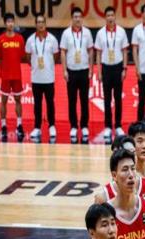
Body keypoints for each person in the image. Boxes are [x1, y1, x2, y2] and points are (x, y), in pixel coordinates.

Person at [95, 6, 129, 144]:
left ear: (115, 16)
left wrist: (124, 68)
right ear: (105, 17)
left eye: (112, 15)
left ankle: (118, 125)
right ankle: (108, 126)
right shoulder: (100, 33)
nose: (110, 17)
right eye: (108, 15)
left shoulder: (121, 31)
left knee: (118, 98)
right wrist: (99, 71)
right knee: (107, 99)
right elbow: (98, 53)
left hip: (118, 67)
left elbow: (125, 51)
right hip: (106, 68)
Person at [60, 6, 94, 144]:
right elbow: (63, 52)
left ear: (82, 18)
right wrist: (64, 70)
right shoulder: (66, 34)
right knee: (72, 100)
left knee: (84, 100)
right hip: (71, 71)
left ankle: (84, 126)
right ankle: (74, 126)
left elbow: (91, 51)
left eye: (79, 17)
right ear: (72, 19)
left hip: (84, 70)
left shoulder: (87, 33)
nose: (77, 19)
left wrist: (91, 69)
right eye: (75, 17)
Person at [25, 15, 59, 142]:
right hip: (36, 78)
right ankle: (37, 127)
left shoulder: (52, 39)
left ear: (45, 23)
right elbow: (28, 58)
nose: (40, 24)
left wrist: (48, 66)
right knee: (37, 104)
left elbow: (56, 57)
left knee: (50, 103)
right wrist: (35, 66)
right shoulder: (30, 40)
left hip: (49, 78)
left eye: (42, 22)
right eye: (38, 22)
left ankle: (52, 126)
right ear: (35, 24)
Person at [0, 12, 25, 142]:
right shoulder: (0, 39)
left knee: (18, 100)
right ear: (5, 24)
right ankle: (3, 126)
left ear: (14, 23)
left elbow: (23, 56)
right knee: (4, 101)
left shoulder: (20, 39)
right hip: (6, 76)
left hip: (17, 75)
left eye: (12, 21)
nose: (10, 24)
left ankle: (19, 125)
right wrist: (3, 72)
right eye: (8, 22)